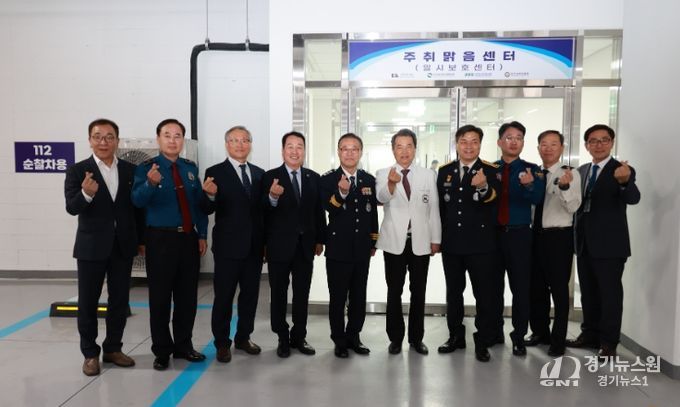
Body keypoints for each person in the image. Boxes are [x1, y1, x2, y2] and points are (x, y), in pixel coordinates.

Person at [65, 118, 143, 376]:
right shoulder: (78, 171)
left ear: (117, 141)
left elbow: (138, 210)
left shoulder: (131, 170)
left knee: (119, 301)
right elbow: (71, 207)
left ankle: (113, 348)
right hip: (91, 247)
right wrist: (86, 194)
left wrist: (141, 240)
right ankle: (90, 354)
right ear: (90, 140)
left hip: (122, 246)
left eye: (109, 137)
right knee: (88, 302)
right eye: (97, 136)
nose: (103, 142)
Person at [131, 118, 208, 371]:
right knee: (160, 298)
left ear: (182, 140)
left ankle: (184, 346)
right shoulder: (146, 168)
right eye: (167, 135)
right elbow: (137, 201)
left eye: (177, 136)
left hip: (188, 239)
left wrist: (202, 234)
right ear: (158, 139)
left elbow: (198, 206)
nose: (173, 140)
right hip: (160, 240)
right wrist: (150, 183)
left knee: (187, 297)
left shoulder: (189, 168)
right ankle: (162, 350)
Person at [567, 124, 640, 359]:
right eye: (593, 141)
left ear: (611, 143)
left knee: (610, 296)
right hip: (584, 243)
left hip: (610, 245)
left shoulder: (622, 170)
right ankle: (590, 334)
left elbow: (633, 198)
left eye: (604, 140)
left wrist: (624, 182)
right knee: (588, 294)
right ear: (586, 145)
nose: (599, 145)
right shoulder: (582, 171)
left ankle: (608, 342)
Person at [200, 126, 265, 363]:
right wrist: (209, 195)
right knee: (224, 297)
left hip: (254, 248)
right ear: (227, 144)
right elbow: (207, 209)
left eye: (245, 140)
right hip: (228, 247)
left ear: (250, 144)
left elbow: (263, 213)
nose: (240, 145)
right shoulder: (215, 172)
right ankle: (222, 343)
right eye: (235, 140)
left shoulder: (259, 174)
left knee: (250, 296)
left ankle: (244, 337)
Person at [436, 125, 500, 362]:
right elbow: (440, 209)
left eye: (474, 141)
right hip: (452, 244)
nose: (469, 146)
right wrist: (438, 238)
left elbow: (493, 200)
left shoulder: (491, 170)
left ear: (480, 145)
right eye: (464, 141)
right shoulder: (445, 171)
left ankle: (482, 340)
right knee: (454, 293)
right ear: (457, 144)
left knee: (483, 294)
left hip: (481, 245)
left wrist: (483, 186)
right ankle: (455, 336)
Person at [375, 128, 441, 355]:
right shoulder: (383, 173)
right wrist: (391, 184)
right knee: (394, 291)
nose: (404, 151)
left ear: (415, 148)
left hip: (420, 241)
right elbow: (381, 197)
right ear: (393, 149)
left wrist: (436, 239)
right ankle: (395, 338)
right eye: (399, 147)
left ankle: (416, 338)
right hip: (394, 241)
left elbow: (434, 209)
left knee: (418, 291)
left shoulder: (428, 175)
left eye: (409, 146)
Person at [263, 131, 326, 358]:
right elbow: (262, 212)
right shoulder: (270, 177)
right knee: (279, 294)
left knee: (302, 294)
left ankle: (299, 336)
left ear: (304, 151)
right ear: (283, 151)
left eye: (299, 146)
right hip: (278, 246)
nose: (294, 151)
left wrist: (320, 239)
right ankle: (282, 336)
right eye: (290, 146)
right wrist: (272, 196)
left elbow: (318, 212)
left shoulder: (313, 177)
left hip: (305, 247)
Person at [320, 133, 379, 358]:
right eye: (345, 148)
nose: (350, 153)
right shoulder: (327, 179)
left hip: (362, 247)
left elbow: (372, 214)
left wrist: (373, 241)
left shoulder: (368, 179)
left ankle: (354, 336)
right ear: (339, 152)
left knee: (358, 295)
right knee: (337, 297)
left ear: (360, 152)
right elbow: (330, 210)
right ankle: (339, 340)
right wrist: (342, 192)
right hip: (338, 248)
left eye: (354, 149)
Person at [525, 130, 581, 357]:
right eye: (544, 144)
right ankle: (540, 332)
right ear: (538, 148)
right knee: (536, 289)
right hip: (534, 236)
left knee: (559, 290)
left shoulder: (570, 173)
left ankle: (558, 340)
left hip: (558, 237)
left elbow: (573, 207)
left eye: (553, 144)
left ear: (562, 148)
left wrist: (565, 188)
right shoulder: (534, 174)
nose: (548, 148)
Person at [494, 121, 545, 356]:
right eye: (509, 137)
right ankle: (494, 332)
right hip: (492, 236)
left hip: (520, 236)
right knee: (492, 288)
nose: (514, 142)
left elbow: (537, 199)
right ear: (499, 142)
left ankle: (518, 336)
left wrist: (530, 185)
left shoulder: (532, 170)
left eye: (519, 138)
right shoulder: (488, 169)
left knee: (520, 289)